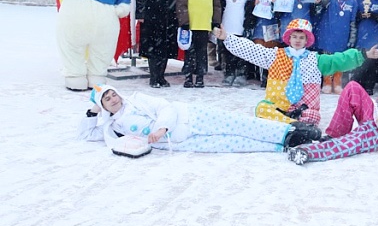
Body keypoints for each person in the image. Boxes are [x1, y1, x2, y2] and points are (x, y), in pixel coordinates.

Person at [215, 18, 378, 125]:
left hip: (304, 109)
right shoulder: (275, 55)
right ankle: (292, 125)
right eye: (295, 37)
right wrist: (227, 38)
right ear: (289, 38)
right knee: (262, 109)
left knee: (312, 117)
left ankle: (291, 125)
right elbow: (251, 49)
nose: (298, 40)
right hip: (279, 106)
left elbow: (339, 60)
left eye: (302, 38)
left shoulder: (316, 59)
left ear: (307, 40)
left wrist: (364, 54)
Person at [78, 84, 321, 153]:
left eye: (112, 93)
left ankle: (288, 132)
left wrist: (161, 128)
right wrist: (92, 114)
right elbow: (88, 135)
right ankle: (284, 146)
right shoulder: (114, 127)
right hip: (182, 141)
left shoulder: (137, 99)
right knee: (235, 144)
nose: (112, 98)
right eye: (106, 99)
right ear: (103, 106)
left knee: (241, 124)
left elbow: (167, 107)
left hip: (191, 116)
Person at [176, 0, 222, 88]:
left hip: (204, 22)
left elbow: (216, 2)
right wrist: (184, 20)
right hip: (190, 21)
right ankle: (188, 77)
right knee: (189, 52)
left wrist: (216, 21)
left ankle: (200, 76)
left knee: (202, 51)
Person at [316, 0, 357, 94]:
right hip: (328, 33)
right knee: (327, 59)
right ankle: (327, 82)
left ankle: (337, 82)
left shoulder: (352, 2)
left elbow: (353, 22)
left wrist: (352, 37)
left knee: (340, 60)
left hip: (343, 35)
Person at [220, 0, 258, 86]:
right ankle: (229, 72)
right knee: (228, 50)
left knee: (241, 49)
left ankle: (241, 73)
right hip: (227, 22)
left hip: (240, 22)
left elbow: (250, 7)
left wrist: (248, 24)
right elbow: (222, 4)